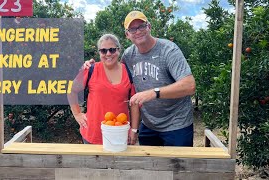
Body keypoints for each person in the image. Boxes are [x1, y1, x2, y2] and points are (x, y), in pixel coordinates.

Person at [83, 11, 196, 147]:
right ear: (127, 34)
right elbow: (113, 66)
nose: (138, 31)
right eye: (132, 29)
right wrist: (91, 65)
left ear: (149, 26)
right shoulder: (129, 56)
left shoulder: (168, 50)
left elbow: (189, 85)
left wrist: (154, 93)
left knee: (178, 166)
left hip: (177, 124)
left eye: (141, 26)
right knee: (148, 167)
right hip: (148, 125)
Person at [68, 34, 140, 145]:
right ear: (99, 52)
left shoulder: (128, 72)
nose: (108, 54)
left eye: (112, 50)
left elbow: (134, 103)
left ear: (118, 50)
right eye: (103, 51)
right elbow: (72, 90)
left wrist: (134, 130)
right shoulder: (91, 69)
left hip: (120, 133)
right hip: (93, 135)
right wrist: (77, 114)